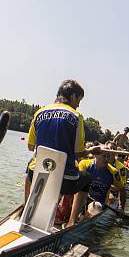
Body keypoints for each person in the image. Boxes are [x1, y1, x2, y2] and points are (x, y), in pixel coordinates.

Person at [24, 79, 101, 227]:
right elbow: (79, 153)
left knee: (30, 166)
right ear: (72, 96)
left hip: (38, 175)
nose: (78, 104)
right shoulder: (76, 117)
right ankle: (72, 222)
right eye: (79, 99)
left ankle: (26, 209)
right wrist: (92, 150)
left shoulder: (39, 113)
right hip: (64, 181)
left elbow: (30, 146)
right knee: (87, 178)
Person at [78, 151, 127, 217]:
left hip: (98, 204)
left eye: (108, 156)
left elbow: (122, 190)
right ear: (96, 156)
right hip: (81, 198)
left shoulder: (113, 172)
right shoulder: (84, 164)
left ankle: (82, 218)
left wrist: (121, 208)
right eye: (104, 156)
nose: (106, 159)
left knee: (96, 207)